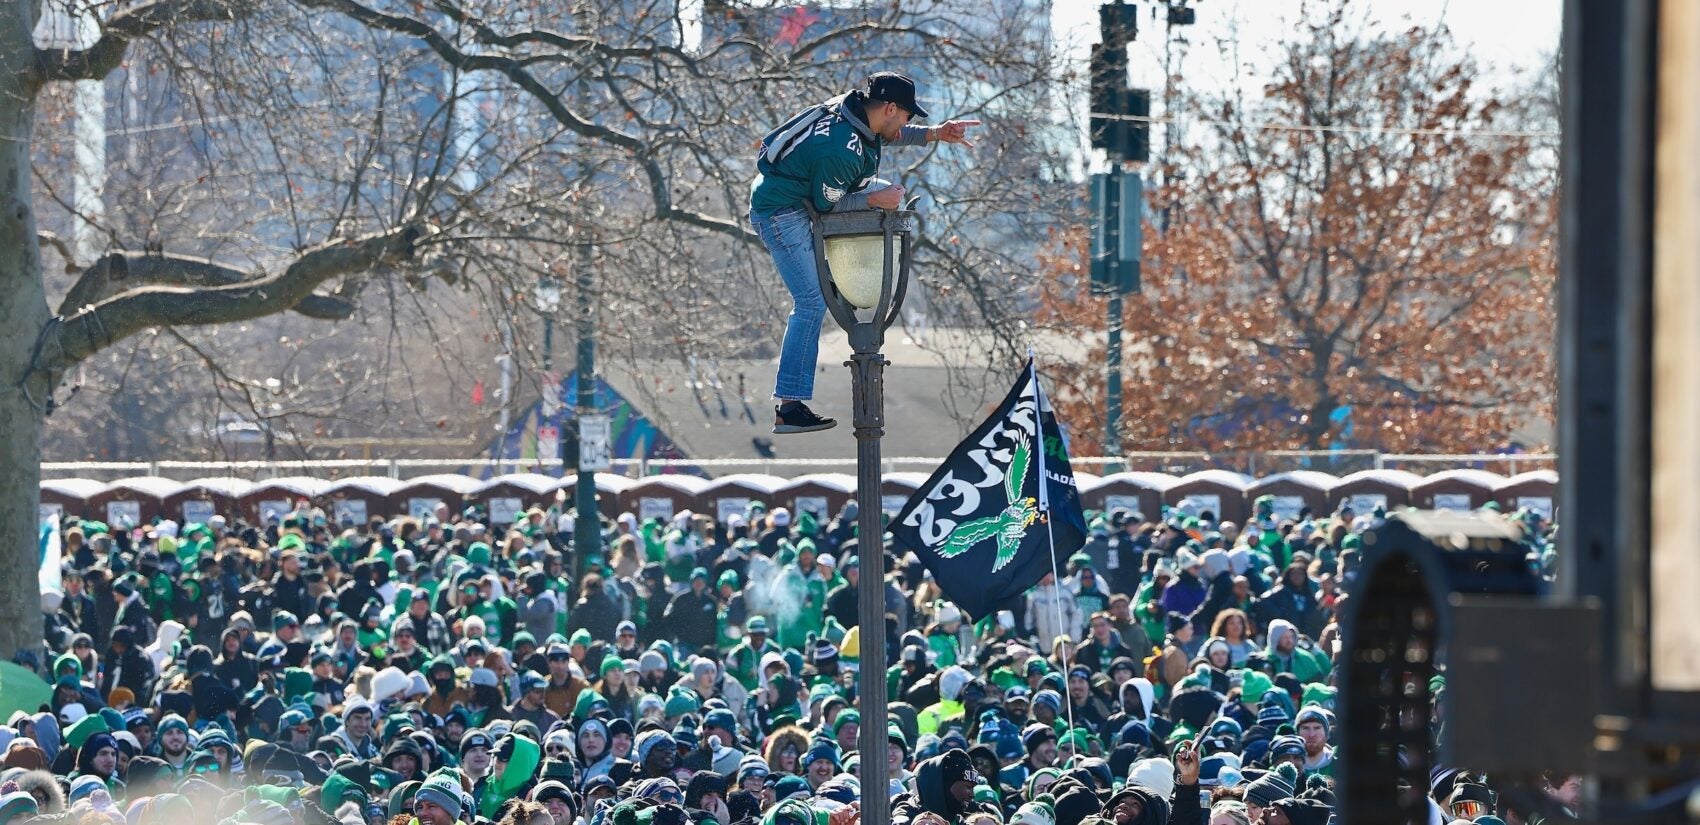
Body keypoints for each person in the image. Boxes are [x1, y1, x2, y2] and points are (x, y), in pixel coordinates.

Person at [749, 71, 978, 434]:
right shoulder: (840, 148)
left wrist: (936, 134)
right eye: (906, 115)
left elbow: (889, 134)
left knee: (889, 192)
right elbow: (828, 205)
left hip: (799, 193)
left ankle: (844, 284)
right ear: (889, 108)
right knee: (810, 301)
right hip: (780, 213)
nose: (907, 123)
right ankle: (789, 406)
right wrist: (873, 199)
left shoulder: (853, 110)